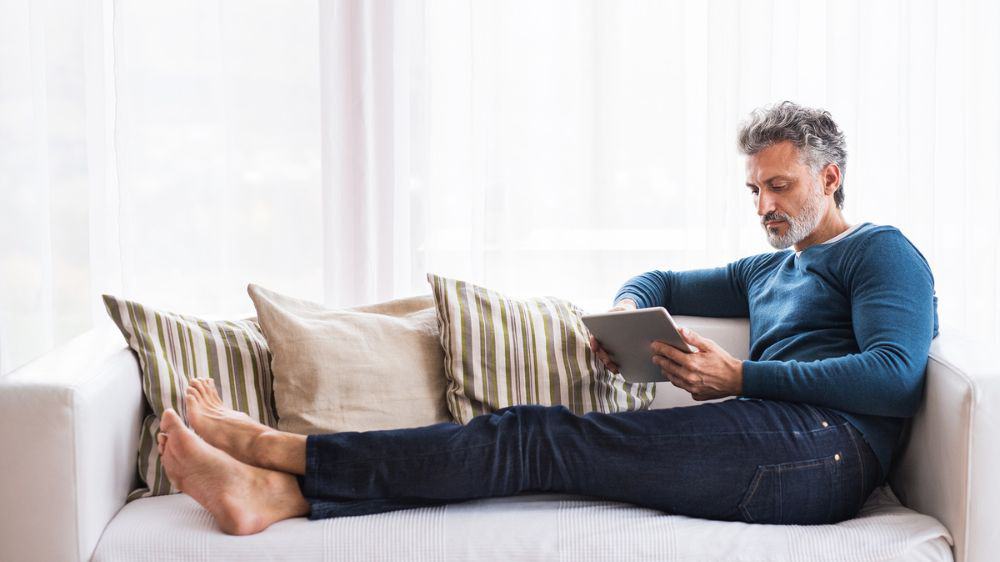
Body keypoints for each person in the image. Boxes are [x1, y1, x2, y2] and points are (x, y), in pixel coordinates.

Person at [156, 101, 938, 535]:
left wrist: (740, 374)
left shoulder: (881, 254)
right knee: (537, 439)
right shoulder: (769, 267)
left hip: (825, 458)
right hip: (771, 434)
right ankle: (279, 498)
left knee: (534, 436)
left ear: (830, 177)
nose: (765, 206)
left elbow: (896, 378)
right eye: (754, 191)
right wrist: (630, 320)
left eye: (780, 186)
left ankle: (278, 449)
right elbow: (655, 276)